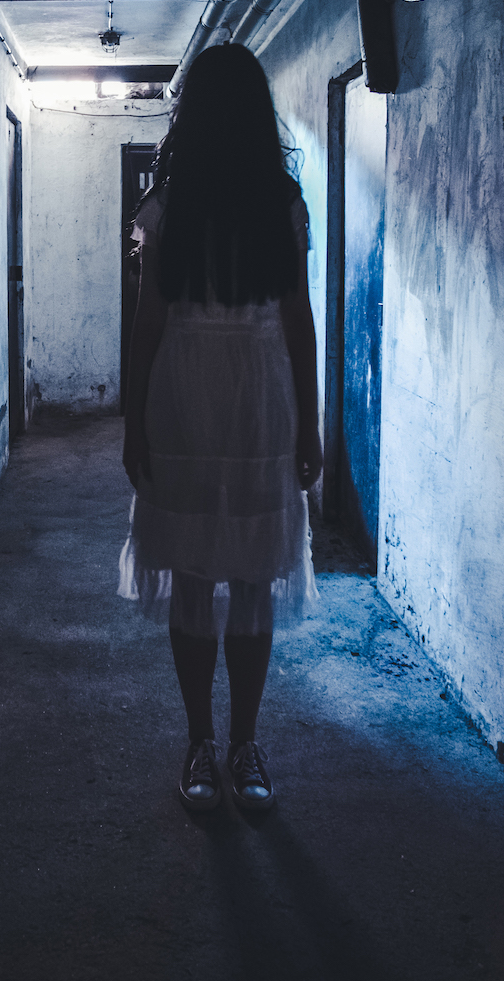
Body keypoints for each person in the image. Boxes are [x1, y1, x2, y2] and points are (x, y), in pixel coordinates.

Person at [120, 43, 321, 813]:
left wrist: (308, 425)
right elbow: (152, 317)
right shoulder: (171, 205)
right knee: (215, 575)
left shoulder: (279, 203)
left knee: (238, 576)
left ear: (194, 114)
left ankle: (231, 744)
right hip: (213, 401)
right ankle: (212, 744)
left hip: (245, 403)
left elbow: (296, 314)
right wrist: (136, 423)